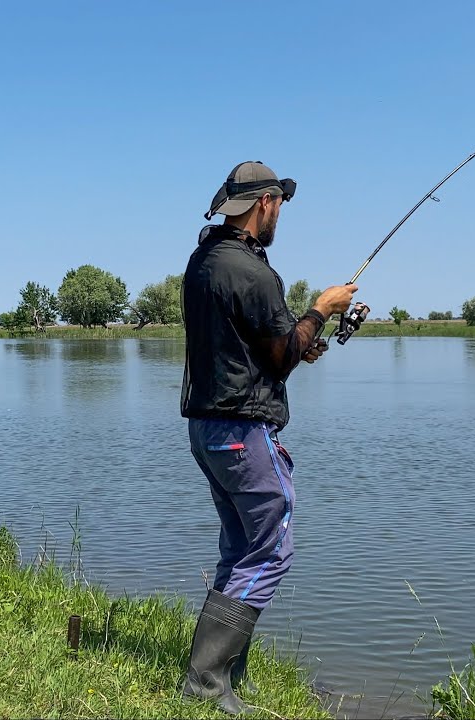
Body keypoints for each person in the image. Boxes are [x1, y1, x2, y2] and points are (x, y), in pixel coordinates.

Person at [179, 161, 358, 714]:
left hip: (206, 428)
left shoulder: (203, 261)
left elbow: (264, 347)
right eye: (280, 203)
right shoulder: (253, 272)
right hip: (242, 430)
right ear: (266, 204)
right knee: (272, 549)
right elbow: (278, 359)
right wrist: (321, 310)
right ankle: (206, 685)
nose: (281, 213)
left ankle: (223, 677)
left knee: (240, 549)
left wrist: (302, 339)